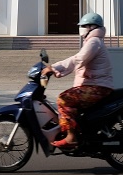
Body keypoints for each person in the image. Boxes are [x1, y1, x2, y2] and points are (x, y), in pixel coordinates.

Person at [41, 12, 114, 150]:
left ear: (92, 27)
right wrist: (54, 67)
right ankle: (80, 131)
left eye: (84, 26)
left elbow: (78, 59)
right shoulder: (93, 42)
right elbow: (77, 58)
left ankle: (71, 136)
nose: (81, 29)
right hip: (95, 85)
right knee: (72, 100)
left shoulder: (94, 42)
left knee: (63, 99)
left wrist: (54, 68)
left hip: (97, 87)